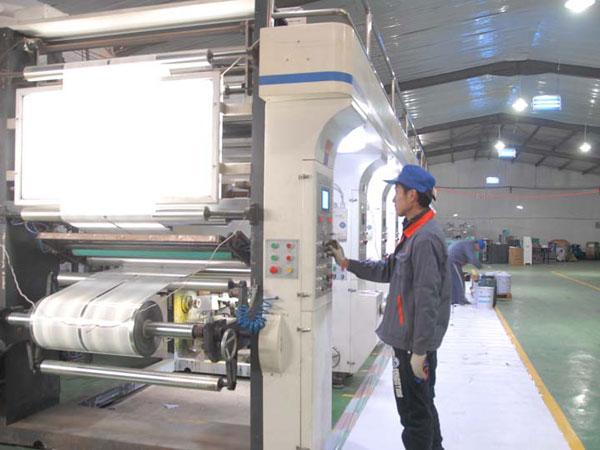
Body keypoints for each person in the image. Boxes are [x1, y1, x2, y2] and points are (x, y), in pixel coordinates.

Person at [326, 164, 450, 450]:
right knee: (423, 405)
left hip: (412, 345)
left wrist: (419, 351)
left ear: (413, 196)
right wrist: (346, 263)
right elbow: (388, 270)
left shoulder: (425, 238)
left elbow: (428, 299)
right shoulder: (414, 233)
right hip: (409, 341)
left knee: (413, 415)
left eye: (397, 191)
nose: (394, 198)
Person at [447, 239, 484, 305]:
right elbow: (472, 258)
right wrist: (480, 267)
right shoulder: (469, 245)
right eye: (479, 248)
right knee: (459, 281)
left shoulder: (467, 244)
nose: (478, 250)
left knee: (455, 281)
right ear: (477, 244)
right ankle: (461, 300)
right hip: (452, 261)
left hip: (452, 261)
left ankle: (454, 300)